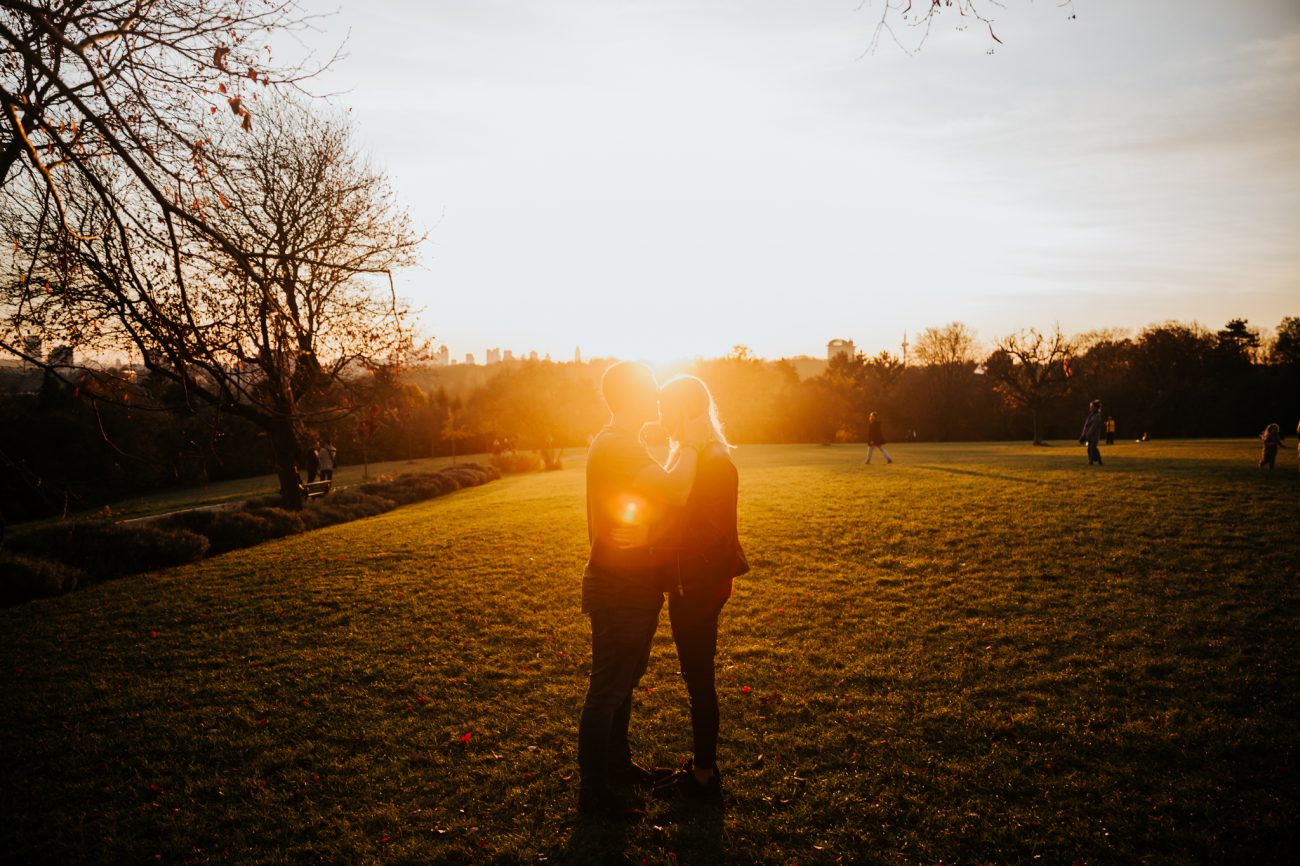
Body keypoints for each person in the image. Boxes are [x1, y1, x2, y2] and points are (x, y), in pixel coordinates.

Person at [576, 361, 705, 819]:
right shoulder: (617, 447)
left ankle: (618, 764)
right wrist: (691, 439)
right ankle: (594, 791)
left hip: (634, 584)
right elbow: (673, 490)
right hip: (618, 587)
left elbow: (646, 504)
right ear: (631, 397)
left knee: (625, 683)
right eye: (650, 389)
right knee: (608, 689)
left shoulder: (622, 444)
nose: (656, 396)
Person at [649, 375, 749, 807]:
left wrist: (678, 573)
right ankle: (702, 768)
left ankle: (705, 777)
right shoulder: (699, 456)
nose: (659, 418)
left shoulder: (714, 461)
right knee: (696, 676)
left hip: (700, 587)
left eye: (665, 409)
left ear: (686, 410)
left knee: (700, 679)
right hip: (692, 583)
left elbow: (714, 535)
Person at [1079, 399, 1104, 465]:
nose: (1090, 407)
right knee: (1090, 449)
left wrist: (1086, 436)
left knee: (1092, 448)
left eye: (1091, 406)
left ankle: (1093, 461)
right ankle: (1094, 461)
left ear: (1095, 407)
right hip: (1089, 436)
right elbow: (1086, 426)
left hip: (1094, 436)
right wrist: (1083, 435)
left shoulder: (1096, 416)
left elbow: (1092, 428)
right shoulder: (1091, 415)